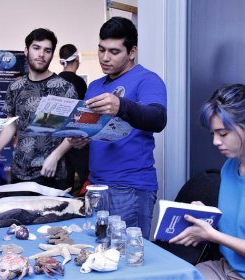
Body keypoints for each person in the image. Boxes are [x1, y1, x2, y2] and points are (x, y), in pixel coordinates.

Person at [69, 17, 167, 239]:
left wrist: (121, 105)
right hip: (96, 185)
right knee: (100, 254)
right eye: (101, 50)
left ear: (132, 52)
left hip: (129, 187)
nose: (105, 58)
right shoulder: (94, 86)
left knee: (125, 259)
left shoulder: (147, 80)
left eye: (114, 52)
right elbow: (93, 131)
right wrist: (81, 140)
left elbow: (158, 119)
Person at [170, 84, 245, 279]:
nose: (216, 142)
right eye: (214, 134)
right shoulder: (229, 167)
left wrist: (212, 235)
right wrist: (206, 216)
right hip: (227, 267)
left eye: (223, 133)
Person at [0, 28, 77, 190]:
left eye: (47, 50)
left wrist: (55, 156)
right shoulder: (15, 87)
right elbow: (11, 124)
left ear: (52, 55)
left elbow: (74, 130)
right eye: (36, 48)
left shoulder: (65, 88)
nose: (41, 54)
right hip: (20, 172)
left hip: (52, 172)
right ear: (26, 50)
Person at [58, 44, 89, 195]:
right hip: (76, 139)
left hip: (56, 138)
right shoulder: (79, 83)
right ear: (77, 58)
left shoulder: (54, 81)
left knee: (63, 183)